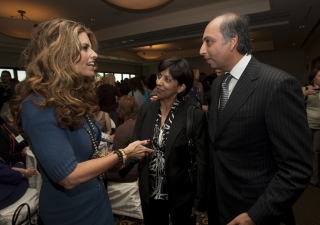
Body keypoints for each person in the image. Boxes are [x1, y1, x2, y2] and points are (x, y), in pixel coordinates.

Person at [9, 18, 153, 225]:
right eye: (85, 48)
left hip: (97, 200)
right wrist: (124, 153)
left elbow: (86, 152)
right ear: (59, 55)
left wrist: (110, 159)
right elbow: (68, 176)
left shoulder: (72, 98)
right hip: (70, 214)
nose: (94, 54)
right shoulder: (37, 105)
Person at [199, 12, 312, 225]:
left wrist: (257, 215)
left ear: (232, 41)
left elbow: (296, 169)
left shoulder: (277, 85)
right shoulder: (217, 84)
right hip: (219, 204)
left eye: (208, 42)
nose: (202, 50)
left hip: (255, 209)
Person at [123, 57, 208, 225]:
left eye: (167, 79)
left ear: (181, 87)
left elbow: (202, 162)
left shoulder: (194, 115)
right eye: (159, 76)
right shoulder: (146, 110)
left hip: (182, 195)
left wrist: (200, 200)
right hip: (150, 192)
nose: (159, 82)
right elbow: (135, 147)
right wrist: (119, 162)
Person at [302, 67, 320, 188]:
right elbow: (294, 102)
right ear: (313, 77)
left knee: (316, 152)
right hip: (307, 123)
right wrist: (304, 94)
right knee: (306, 150)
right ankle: (304, 174)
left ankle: (315, 178)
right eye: (319, 76)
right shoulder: (305, 89)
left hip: (319, 126)